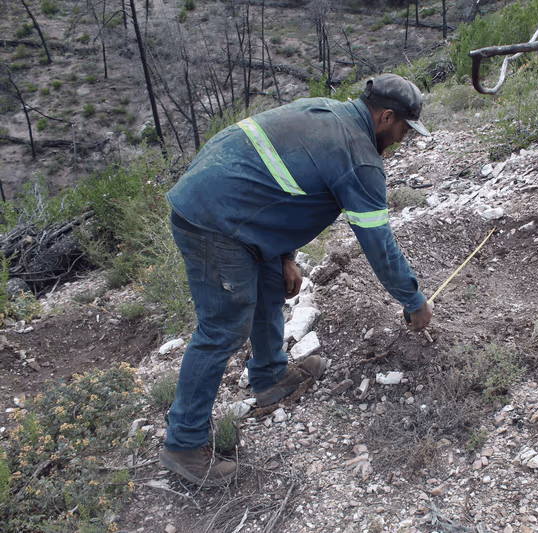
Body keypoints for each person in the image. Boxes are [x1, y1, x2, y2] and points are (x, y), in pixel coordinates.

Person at [158, 74, 434, 486]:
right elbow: (378, 245)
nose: (403, 140)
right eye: (403, 130)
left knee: (271, 286)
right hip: (214, 220)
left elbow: (279, 179)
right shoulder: (359, 157)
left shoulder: (326, 110)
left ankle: (270, 377)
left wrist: (283, 254)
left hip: (231, 203)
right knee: (222, 328)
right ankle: (183, 443)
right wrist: (413, 299)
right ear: (386, 116)